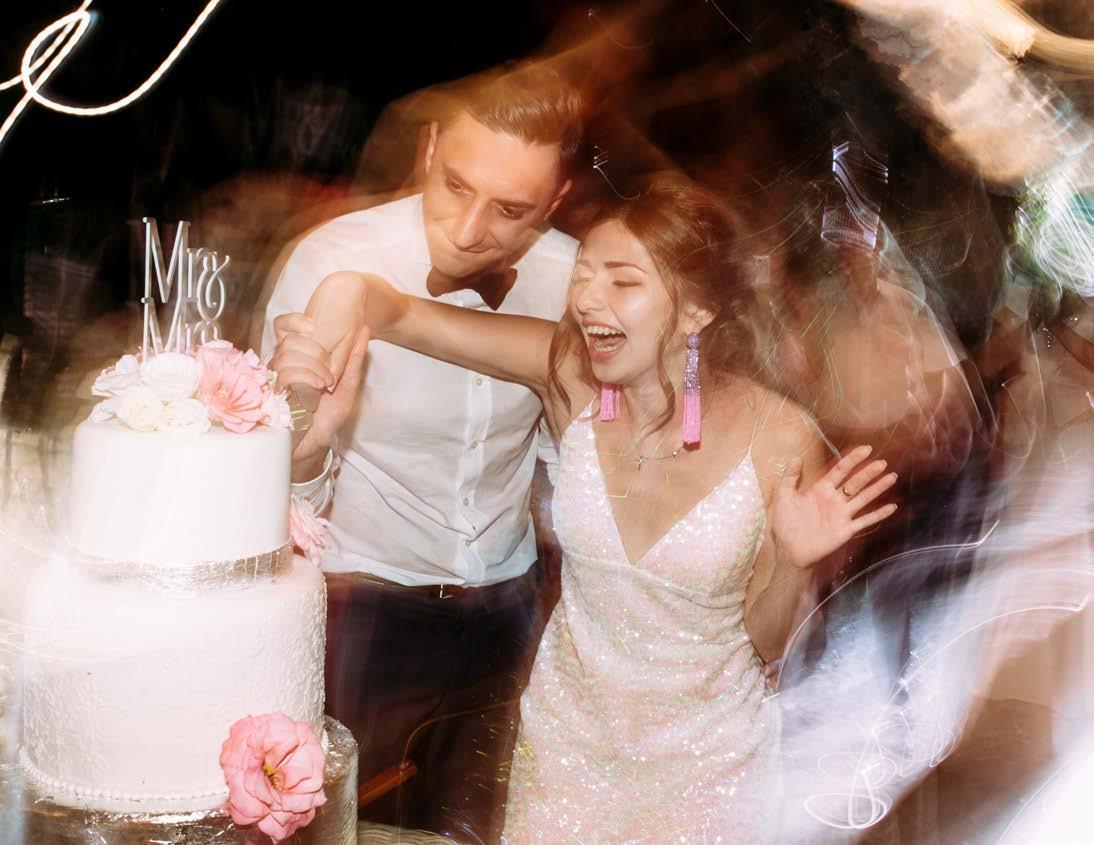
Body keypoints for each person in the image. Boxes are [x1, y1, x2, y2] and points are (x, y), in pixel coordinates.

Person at [278, 175, 899, 842]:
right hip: (565, 752)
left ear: (697, 312)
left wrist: (797, 563)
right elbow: (398, 313)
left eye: (622, 281)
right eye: (583, 275)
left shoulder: (777, 437)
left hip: (712, 766)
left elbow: (769, 640)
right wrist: (331, 313)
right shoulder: (568, 377)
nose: (586, 300)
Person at [262, 63, 583, 841]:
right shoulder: (330, 261)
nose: (469, 231)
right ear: (429, 148)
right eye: (455, 186)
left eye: (511, 210)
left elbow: (570, 459)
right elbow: (274, 483)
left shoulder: (579, 277)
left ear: (557, 199)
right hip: (367, 611)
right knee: (354, 827)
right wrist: (303, 450)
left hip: (510, 609)